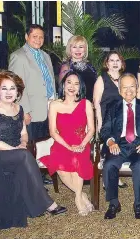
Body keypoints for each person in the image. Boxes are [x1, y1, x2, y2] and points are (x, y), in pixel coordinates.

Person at [0, 70, 67, 230]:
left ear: (18, 92)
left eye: (12, 88)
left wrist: (23, 143)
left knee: (23, 157)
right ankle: (47, 203)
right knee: (24, 157)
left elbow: (23, 134)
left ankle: (34, 206)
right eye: (3, 88)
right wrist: (16, 150)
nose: (8, 92)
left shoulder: (19, 109)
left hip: (15, 152)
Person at [100, 73, 140, 220]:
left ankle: (138, 204)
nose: (128, 91)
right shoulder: (112, 107)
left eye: (132, 86)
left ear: (137, 87)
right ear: (119, 90)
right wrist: (110, 142)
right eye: (124, 87)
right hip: (118, 145)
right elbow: (105, 130)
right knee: (109, 165)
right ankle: (114, 203)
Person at [39, 71, 95, 216]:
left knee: (77, 160)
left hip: (81, 142)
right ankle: (82, 194)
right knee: (61, 167)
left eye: (76, 84)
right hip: (61, 143)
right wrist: (68, 146)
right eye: (69, 82)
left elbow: (92, 129)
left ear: (80, 87)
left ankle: (77, 198)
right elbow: (52, 131)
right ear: (63, 85)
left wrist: (82, 144)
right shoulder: (54, 105)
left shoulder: (86, 103)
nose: (72, 86)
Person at [8, 24, 56, 185]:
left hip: (47, 107)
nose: (38, 39)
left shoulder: (45, 56)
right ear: (26, 37)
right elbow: (16, 87)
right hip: (31, 110)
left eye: (41, 37)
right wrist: (24, 111)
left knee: (43, 144)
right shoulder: (19, 56)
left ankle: (41, 176)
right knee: (30, 145)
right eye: (34, 36)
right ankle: (31, 180)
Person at [93, 51, 128, 189]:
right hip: (106, 118)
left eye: (117, 60)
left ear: (121, 63)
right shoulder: (101, 79)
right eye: (111, 60)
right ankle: (106, 179)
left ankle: (116, 175)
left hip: (121, 119)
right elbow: (96, 102)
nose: (114, 63)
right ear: (107, 63)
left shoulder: (124, 78)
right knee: (108, 146)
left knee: (118, 146)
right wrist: (100, 123)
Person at [59, 35, 97, 102]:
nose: (78, 50)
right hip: (73, 107)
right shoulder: (66, 67)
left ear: (85, 49)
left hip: (89, 106)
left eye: (81, 47)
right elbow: (62, 91)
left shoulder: (91, 67)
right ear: (69, 49)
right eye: (74, 47)